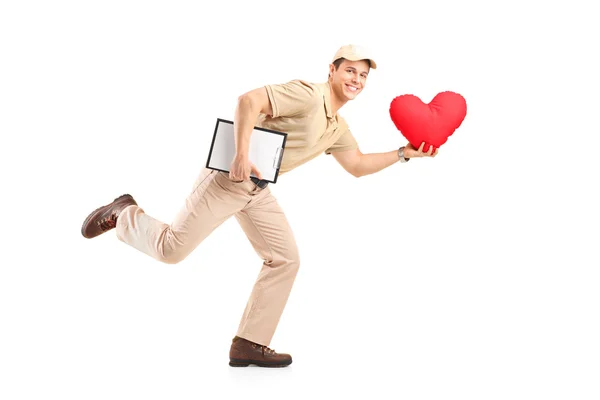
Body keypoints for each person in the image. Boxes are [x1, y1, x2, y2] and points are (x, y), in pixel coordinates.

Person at [80, 44, 437, 368]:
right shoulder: (309, 95)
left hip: (258, 190)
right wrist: (240, 153)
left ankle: (249, 343)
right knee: (170, 249)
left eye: (362, 75)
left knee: (286, 258)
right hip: (229, 178)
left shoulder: (336, 125)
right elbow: (248, 101)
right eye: (350, 71)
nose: (356, 79)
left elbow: (357, 165)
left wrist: (404, 153)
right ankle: (123, 213)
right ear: (332, 69)